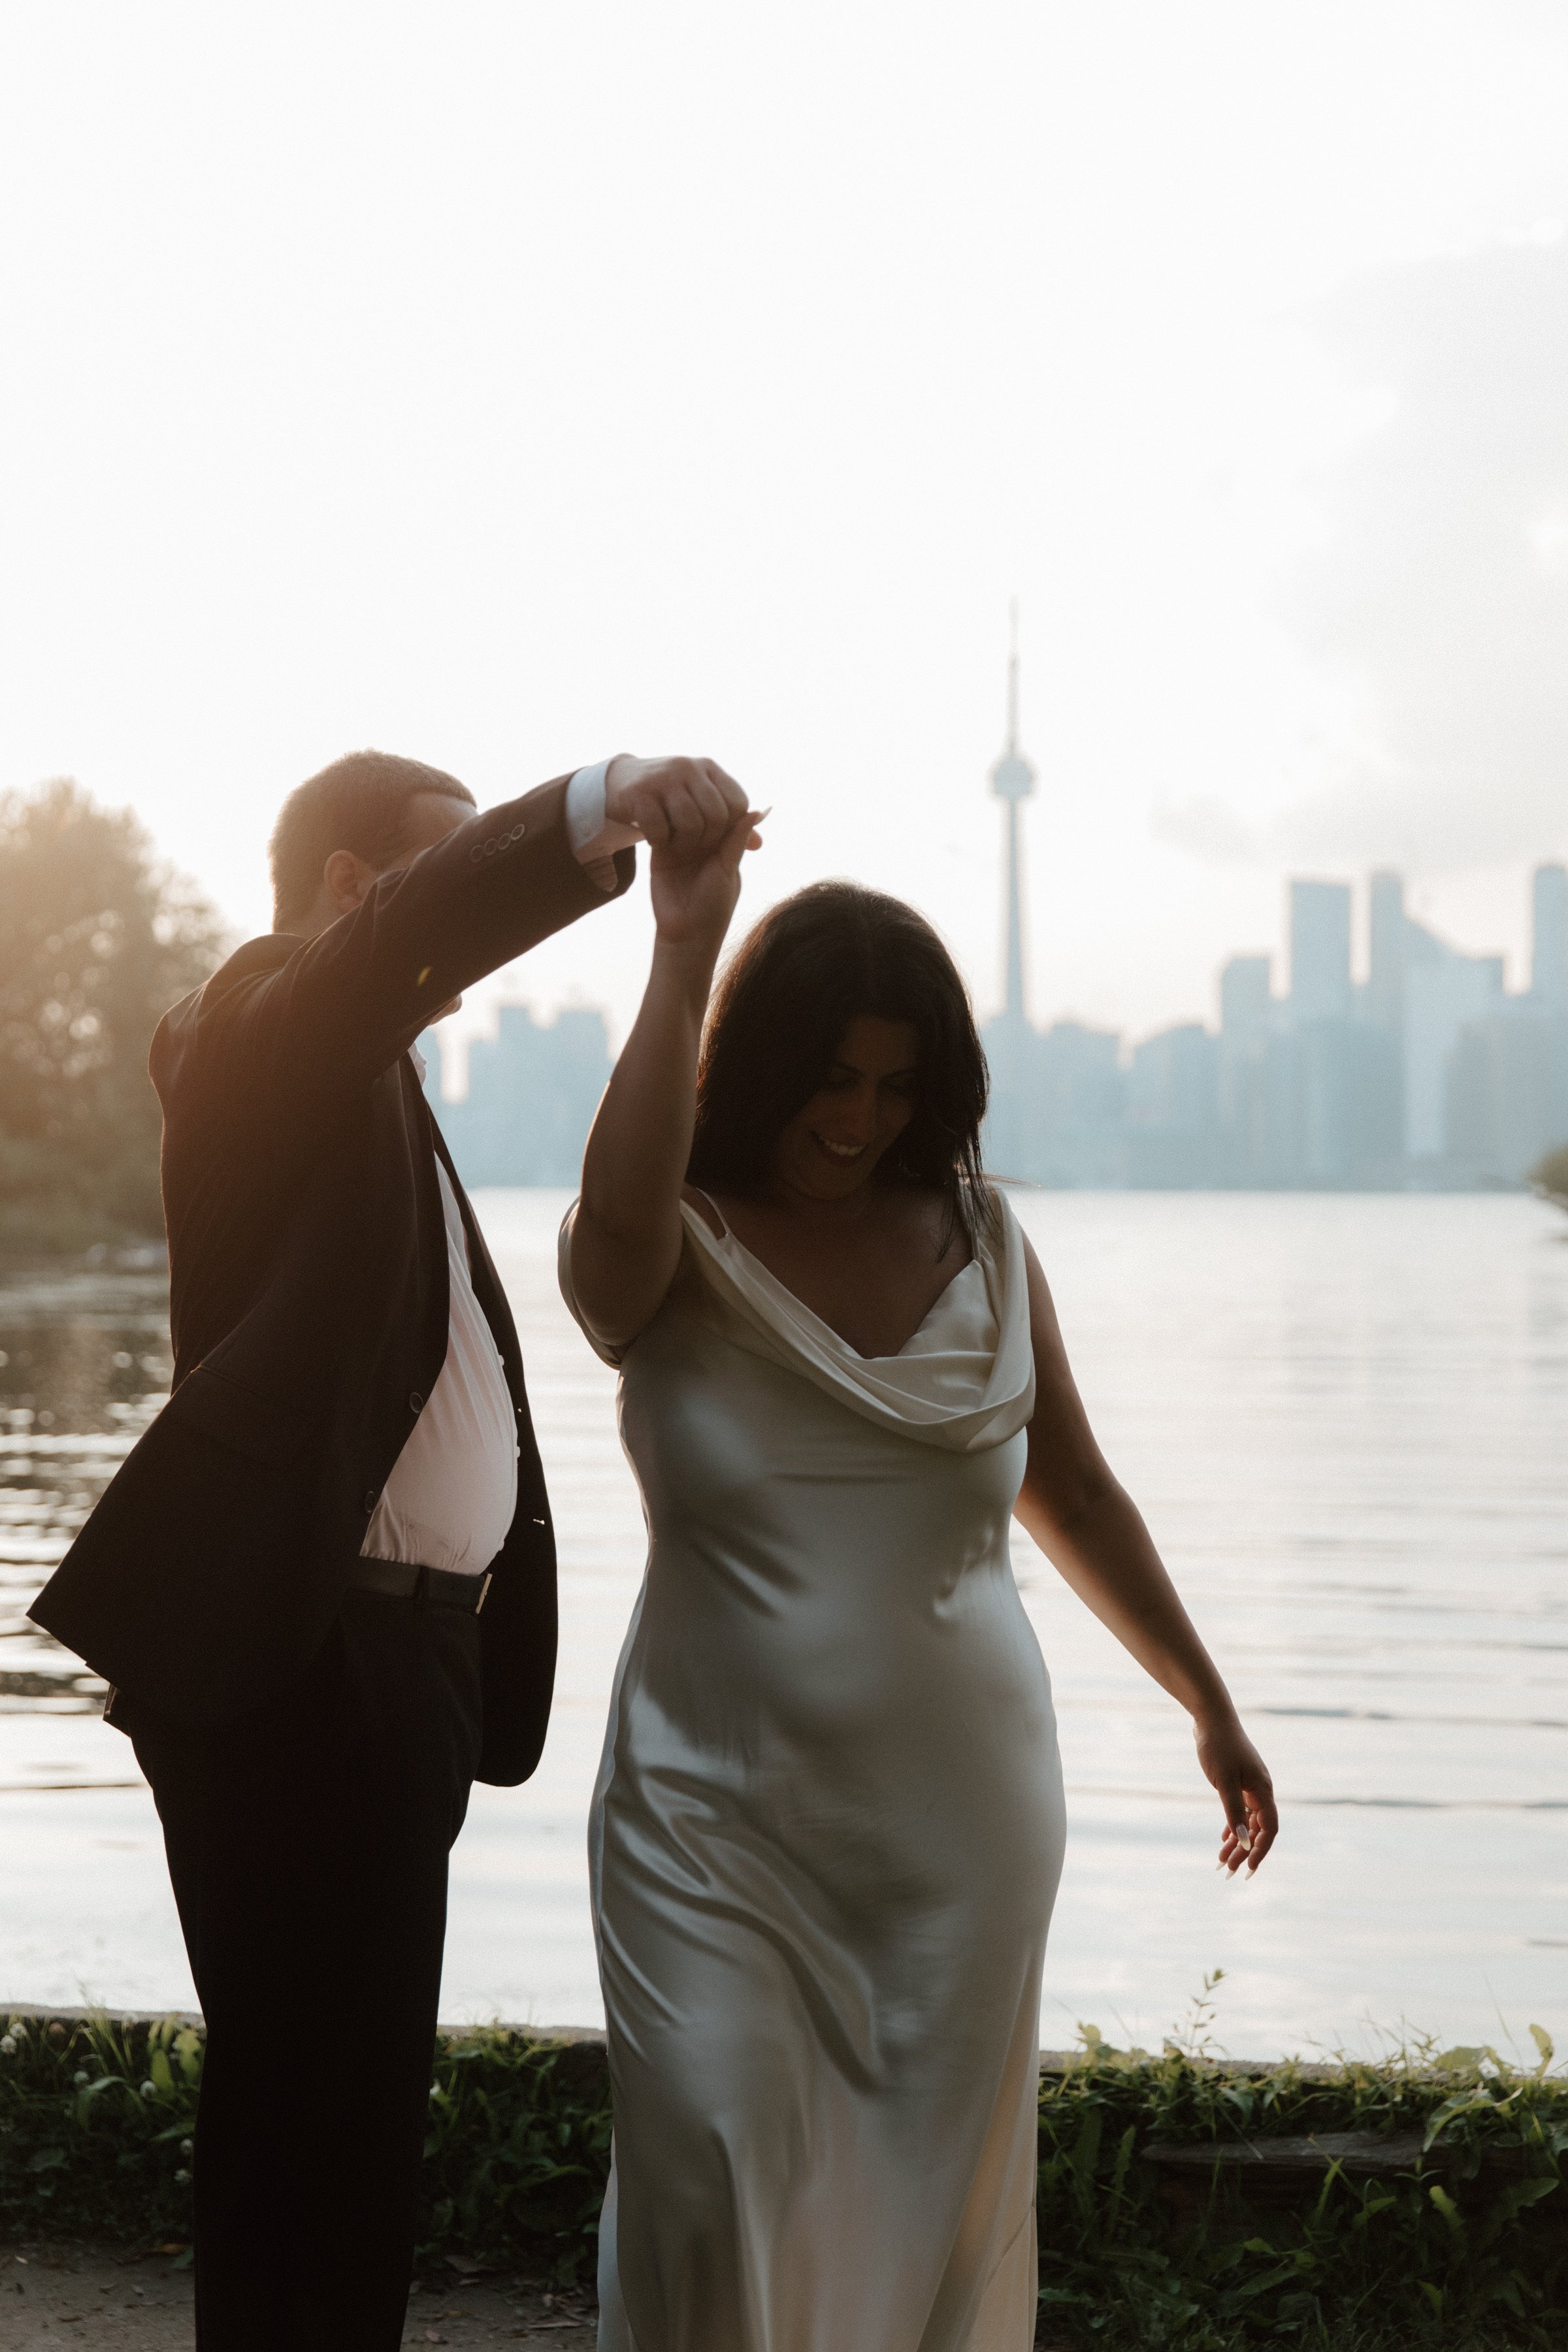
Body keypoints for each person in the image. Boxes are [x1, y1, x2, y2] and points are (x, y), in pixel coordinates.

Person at [30, 746, 749, 2351]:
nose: (451, 926)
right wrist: (585, 813)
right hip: (307, 1666)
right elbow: (378, 958)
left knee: (352, 2123)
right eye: (434, 870)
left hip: (399, 1668)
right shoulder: (245, 1028)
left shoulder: (378, 1096)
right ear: (359, 892)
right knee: (309, 2122)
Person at [561, 818, 1279, 2352]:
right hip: (711, 1820)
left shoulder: (988, 1241)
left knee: (919, 2218)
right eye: (831, 1077)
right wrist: (685, 942)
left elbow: (1073, 1487)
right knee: (709, 2170)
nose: (860, 1120)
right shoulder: (669, 1240)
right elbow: (610, 1226)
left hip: (959, 1833)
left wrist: (1206, 1703)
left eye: (897, 1087)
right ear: (764, 1064)